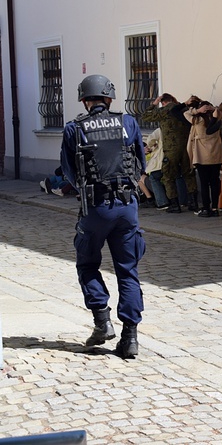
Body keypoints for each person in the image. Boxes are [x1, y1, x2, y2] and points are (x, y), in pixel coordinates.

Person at [60, 74, 146, 359]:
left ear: (85, 101)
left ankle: (102, 321)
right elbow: (140, 163)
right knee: (128, 270)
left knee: (86, 263)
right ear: (109, 98)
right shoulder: (128, 122)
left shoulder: (75, 128)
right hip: (127, 207)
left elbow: (70, 171)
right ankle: (130, 338)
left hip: (96, 208)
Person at [141, 93, 199, 213]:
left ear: (163, 102)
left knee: (168, 176)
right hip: (187, 147)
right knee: (188, 174)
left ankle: (174, 204)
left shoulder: (164, 111)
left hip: (171, 150)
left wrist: (153, 104)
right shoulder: (184, 109)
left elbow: (145, 116)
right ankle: (193, 202)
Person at [184, 99, 222, 217]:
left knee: (204, 183)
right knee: (215, 182)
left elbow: (185, 113)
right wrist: (214, 108)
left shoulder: (197, 120)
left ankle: (206, 208)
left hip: (201, 157)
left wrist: (197, 110)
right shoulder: (216, 119)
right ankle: (215, 207)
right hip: (216, 155)